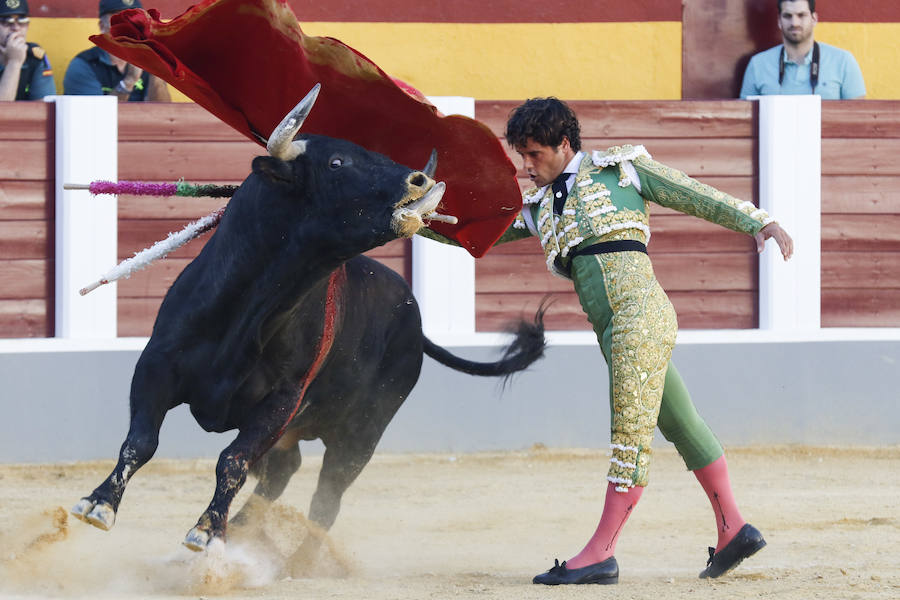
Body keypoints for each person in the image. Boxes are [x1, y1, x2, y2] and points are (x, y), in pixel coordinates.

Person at [423, 97, 793, 585]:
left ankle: (601, 553)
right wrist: (408, 220)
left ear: (564, 144)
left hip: (640, 318)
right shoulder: (539, 208)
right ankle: (735, 529)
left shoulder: (621, 170)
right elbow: (475, 234)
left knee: (628, 437)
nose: (525, 166)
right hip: (614, 331)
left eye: (534, 154)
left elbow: (692, 193)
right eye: (522, 155)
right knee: (681, 423)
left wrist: (757, 220)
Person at [740, 0, 865, 99]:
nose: (795, 23)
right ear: (779, 21)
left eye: (801, 15)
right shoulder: (757, 64)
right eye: (788, 16)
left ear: (814, 19)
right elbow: (745, 120)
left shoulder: (843, 61)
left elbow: (856, 118)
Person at [63, 0, 170, 102]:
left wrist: (156, 74)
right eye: (117, 19)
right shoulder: (85, 64)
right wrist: (129, 81)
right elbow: (92, 116)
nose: (127, 25)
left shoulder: (148, 57)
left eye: (132, 18)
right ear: (102, 26)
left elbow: (165, 113)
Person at [0, 0, 55, 101]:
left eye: (22, 21)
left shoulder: (34, 57)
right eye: (6, 22)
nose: (16, 28)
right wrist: (14, 63)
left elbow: (44, 109)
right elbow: (2, 112)